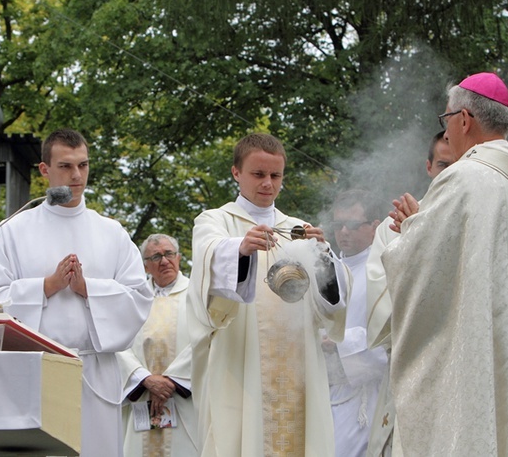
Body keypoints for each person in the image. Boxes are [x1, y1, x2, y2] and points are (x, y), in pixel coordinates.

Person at [381, 72, 508, 454]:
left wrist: (409, 231)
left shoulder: (464, 179)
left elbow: (421, 269)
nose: (448, 132)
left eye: (447, 120)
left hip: (479, 351)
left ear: (464, 119)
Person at [0, 128, 153, 457]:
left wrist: (89, 289)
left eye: (83, 166)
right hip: (35, 372)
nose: (77, 176)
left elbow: (140, 298)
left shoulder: (111, 233)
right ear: (45, 170)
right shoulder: (13, 232)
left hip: (95, 373)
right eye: (66, 166)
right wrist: (47, 286)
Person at [187, 132, 351, 457]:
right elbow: (209, 266)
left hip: (299, 367)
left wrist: (324, 257)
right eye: (258, 174)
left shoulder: (299, 229)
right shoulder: (217, 221)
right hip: (240, 368)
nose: (268, 184)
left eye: (275, 175)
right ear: (236, 172)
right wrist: (240, 250)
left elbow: (330, 307)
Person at [364, 130, 455, 456]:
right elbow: (379, 309)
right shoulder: (391, 229)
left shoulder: (478, 219)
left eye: (458, 164)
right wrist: (414, 238)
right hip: (411, 368)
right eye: (444, 164)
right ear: (428, 167)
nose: (451, 173)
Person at [117, 233, 197, 457]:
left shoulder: (197, 295)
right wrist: (144, 378)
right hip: (142, 396)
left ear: (179, 258)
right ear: (145, 266)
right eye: (156, 257)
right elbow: (116, 343)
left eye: (169, 254)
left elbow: (205, 341)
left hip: (183, 400)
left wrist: (172, 380)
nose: (164, 261)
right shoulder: (133, 299)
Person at [325, 189, 386, 457]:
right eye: (338, 225)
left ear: (375, 226)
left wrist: (339, 343)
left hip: (366, 396)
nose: (343, 232)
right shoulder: (327, 268)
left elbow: (390, 337)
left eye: (352, 224)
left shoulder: (384, 272)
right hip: (325, 391)